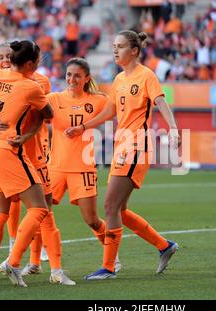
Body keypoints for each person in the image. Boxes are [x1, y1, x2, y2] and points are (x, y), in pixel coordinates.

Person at [66, 30, 180, 280]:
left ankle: (108, 268)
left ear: (135, 51)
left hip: (137, 146)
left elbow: (161, 102)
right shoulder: (118, 79)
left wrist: (173, 129)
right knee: (120, 210)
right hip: (122, 146)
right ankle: (164, 246)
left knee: (109, 206)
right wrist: (83, 127)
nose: (115, 50)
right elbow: (109, 112)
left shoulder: (146, 76)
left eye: (120, 46)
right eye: (114, 46)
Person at [0, 40, 55, 290]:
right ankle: (13, 263)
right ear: (29, 63)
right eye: (37, 62)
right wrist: (27, 135)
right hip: (6, 149)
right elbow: (48, 114)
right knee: (39, 208)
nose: (38, 66)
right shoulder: (31, 86)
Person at [21, 57, 121, 275]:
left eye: (77, 75)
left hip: (83, 168)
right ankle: (35, 262)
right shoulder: (54, 98)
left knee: (92, 220)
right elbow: (29, 108)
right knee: (38, 213)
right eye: (68, 74)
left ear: (86, 78)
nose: (71, 79)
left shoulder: (98, 100)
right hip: (54, 167)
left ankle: (112, 254)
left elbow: (116, 110)